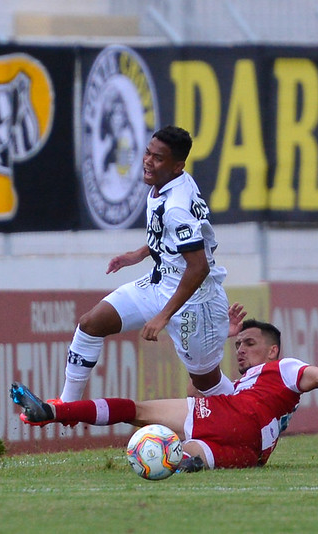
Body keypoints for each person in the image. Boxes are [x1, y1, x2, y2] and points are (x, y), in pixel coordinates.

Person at [11, 314, 318, 470]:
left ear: (273, 350)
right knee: (186, 455)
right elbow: (199, 386)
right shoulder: (242, 387)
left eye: (249, 343)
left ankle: (55, 411)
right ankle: (181, 462)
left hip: (238, 420)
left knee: (137, 410)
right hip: (250, 454)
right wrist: (217, 343)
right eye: (237, 344)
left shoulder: (283, 369)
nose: (241, 350)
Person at [59, 125, 233, 402]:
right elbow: (175, 238)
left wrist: (163, 316)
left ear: (177, 166)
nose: (148, 161)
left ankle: (255, 418)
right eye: (147, 153)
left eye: (158, 158)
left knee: (206, 382)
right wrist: (140, 254)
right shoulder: (170, 183)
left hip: (195, 302)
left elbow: (199, 266)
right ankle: (66, 406)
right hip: (160, 282)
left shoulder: (176, 205)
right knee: (90, 324)